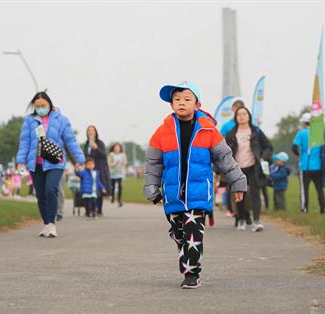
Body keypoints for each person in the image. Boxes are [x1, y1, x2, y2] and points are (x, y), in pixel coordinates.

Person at [144, 81, 246, 289]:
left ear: (197, 105)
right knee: (180, 233)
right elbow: (153, 163)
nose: (181, 103)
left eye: (187, 99)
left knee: (193, 234)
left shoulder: (208, 130)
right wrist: (152, 188)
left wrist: (238, 182)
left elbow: (225, 158)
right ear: (171, 105)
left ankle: (191, 273)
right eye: (177, 100)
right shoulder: (162, 132)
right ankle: (181, 241)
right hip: (173, 194)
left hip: (198, 192)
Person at [16, 91, 85, 238]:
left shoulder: (61, 120)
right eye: (37, 106)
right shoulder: (29, 121)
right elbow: (25, 142)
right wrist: (21, 161)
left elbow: (70, 141)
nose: (41, 108)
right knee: (40, 195)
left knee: (51, 190)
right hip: (36, 163)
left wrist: (80, 159)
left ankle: (52, 224)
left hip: (55, 162)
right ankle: (46, 223)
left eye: (43, 105)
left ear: (49, 104)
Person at [226, 106, 273, 232]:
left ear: (249, 116)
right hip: (237, 169)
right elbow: (224, 151)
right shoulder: (231, 133)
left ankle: (256, 221)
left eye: (244, 114)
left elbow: (268, 146)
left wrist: (263, 157)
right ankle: (241, 219)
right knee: (239, 195)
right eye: (239, 114)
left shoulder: (256, 132)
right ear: (235, 117)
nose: (241, 116)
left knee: (255, 194)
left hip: (253, 167)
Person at [292, 113, 325, 214]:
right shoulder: (319, 133)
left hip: (305, 166)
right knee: (320, 189)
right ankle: (323, 209)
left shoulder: (301, 133)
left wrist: (299, 155)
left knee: (304, 190)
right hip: (318, 166)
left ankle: (304, 209)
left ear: (303, 123)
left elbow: (294, 147)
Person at [84, 125, 111, 216]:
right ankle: (90, 209)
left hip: (99, 168)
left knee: (98, 190)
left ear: (95, 133)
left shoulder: (100, 143)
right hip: (88, 169)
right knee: (89, 189)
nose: (91, 132)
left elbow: (104, 155)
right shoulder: (86, 144)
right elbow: (85, 157)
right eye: (89, 131)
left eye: (92, 131)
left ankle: (99, 209)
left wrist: (96, 148)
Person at [108, 143, 127, 207]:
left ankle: (119, 200)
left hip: (120, 173)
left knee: (120, 186)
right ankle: (112, 197)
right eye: (115, 147)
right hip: (112, 173)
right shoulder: (111, 155)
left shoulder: (123, 155)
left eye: (118, 147)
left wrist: (122, 163)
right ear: (113, 148)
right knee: (112, 187)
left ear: (120, 148)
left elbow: (125, 162)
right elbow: (109, 164)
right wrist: (115, 163)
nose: (117, 149)